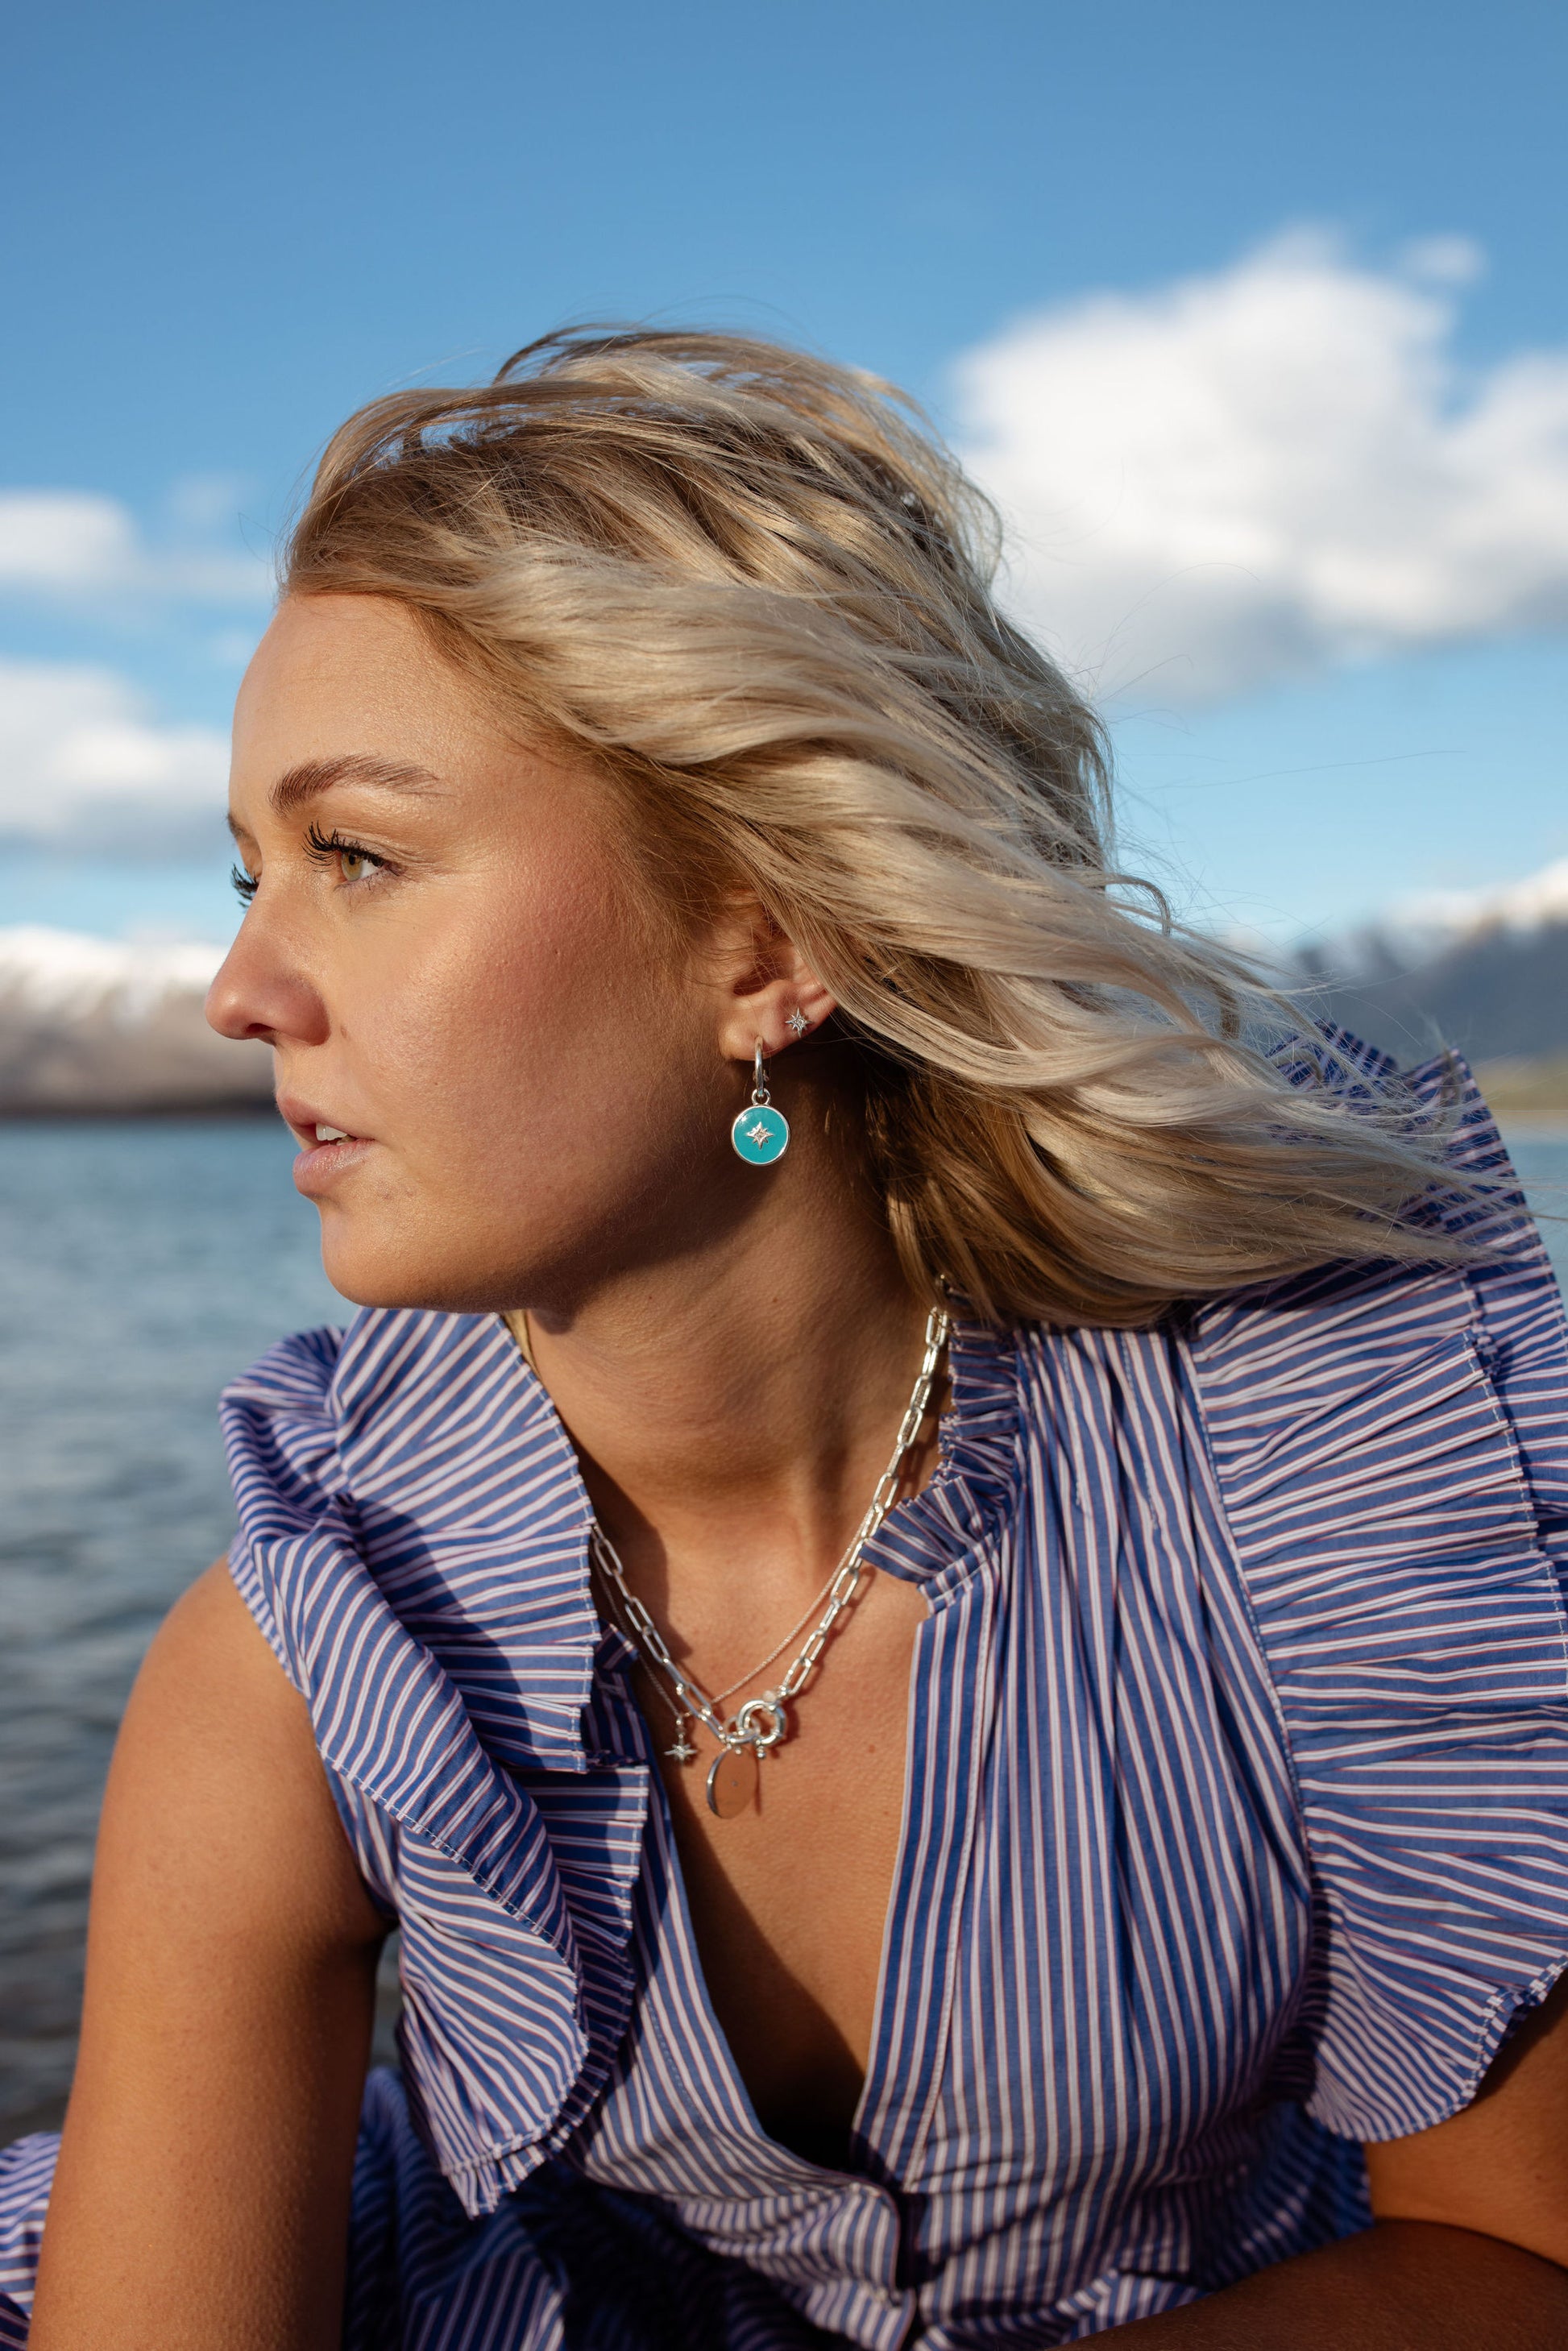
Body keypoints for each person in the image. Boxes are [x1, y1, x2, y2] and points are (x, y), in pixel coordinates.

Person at [3, 330, 1566, 2350]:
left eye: (357, 855)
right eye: (248, 873)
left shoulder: (1314, 1452)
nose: (239, 988)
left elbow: (1517, 2254)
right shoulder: (319, 1640)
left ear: (765, 940)